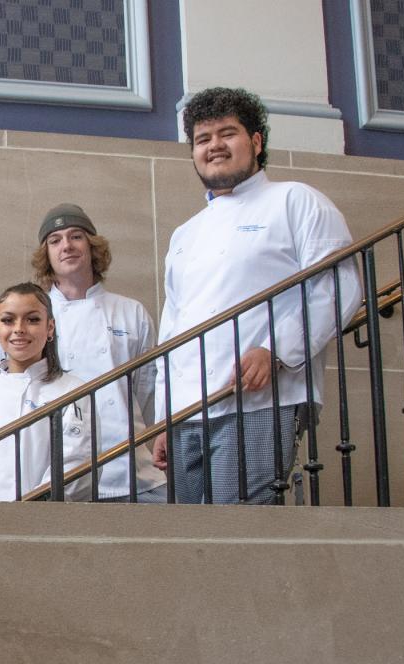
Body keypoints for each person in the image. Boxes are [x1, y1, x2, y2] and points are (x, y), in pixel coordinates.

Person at [152, 86, 362, 504]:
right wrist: (163, 415)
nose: (214, 146)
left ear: (256, 141)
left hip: (260, 400)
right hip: (188, 411)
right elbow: (172, 327)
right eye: (202, 139)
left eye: (226, 134)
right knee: (189, 542)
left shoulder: (295, 200)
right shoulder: (185, 233)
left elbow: (337, 285)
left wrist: (275, 350)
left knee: (241, 532)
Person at [31, 205, 167, 501]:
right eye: (55, 240)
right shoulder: (31, 316)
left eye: (75, 236)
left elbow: (144, 390)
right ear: (47, 256)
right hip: (59, 470)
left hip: (130, 470)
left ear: (92, 246)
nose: (66, 246)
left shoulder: (131, 312)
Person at [0, 283, 93, 502]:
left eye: (32, 319)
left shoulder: (74, 391)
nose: (19, 328)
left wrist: (31, 510)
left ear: (50, 328)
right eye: (8, 320)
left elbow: (77, 462)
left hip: (45, 525)